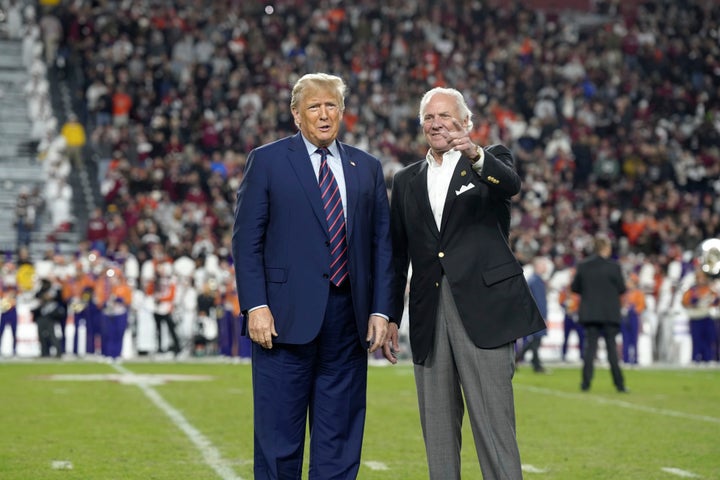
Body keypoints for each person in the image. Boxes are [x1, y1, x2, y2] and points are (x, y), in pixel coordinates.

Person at [231, 72, 394, 480]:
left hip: (348, 320)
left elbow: (382, 246)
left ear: (342, 111)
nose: (324, 115)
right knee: (278, 439)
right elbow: (245, 241)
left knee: (339, 439)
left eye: (331, 105)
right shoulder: (267, 160)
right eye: (314, 107)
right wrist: (256, 304)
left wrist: (381, 311)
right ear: (296, 115)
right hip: (282, 320)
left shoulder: (366, 167)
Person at [387, 86, 546, 480]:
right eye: (428, 117)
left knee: (495, 431)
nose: (436, 123)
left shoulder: (490, 160)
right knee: (438, 435)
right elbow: (397, 256)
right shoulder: (406, 179)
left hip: (484, 310)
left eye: (445, 115)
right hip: (428, 314)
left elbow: (510, 184)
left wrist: (475, 154)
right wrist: (390, 317)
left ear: (466, 122)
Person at [571, 233, 629, 392]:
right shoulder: (614, 266)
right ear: (605, 248)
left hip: (590, 314)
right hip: (610, 314)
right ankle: (620, 384)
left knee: (590, 350)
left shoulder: (583, 265)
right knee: (612, 350)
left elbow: (575, 288)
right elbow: (622, 288)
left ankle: (585, 383)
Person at [516, 256, 550, 373]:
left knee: (535, 340)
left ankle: (524, 360)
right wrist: (543, 316)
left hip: (534, 315)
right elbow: (539, 301)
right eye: (543, 265)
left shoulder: (534, 279)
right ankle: (535, 364)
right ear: (537, 266)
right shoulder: (536, 281)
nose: (546, 267)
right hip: (537, 315)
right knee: (536, 340)